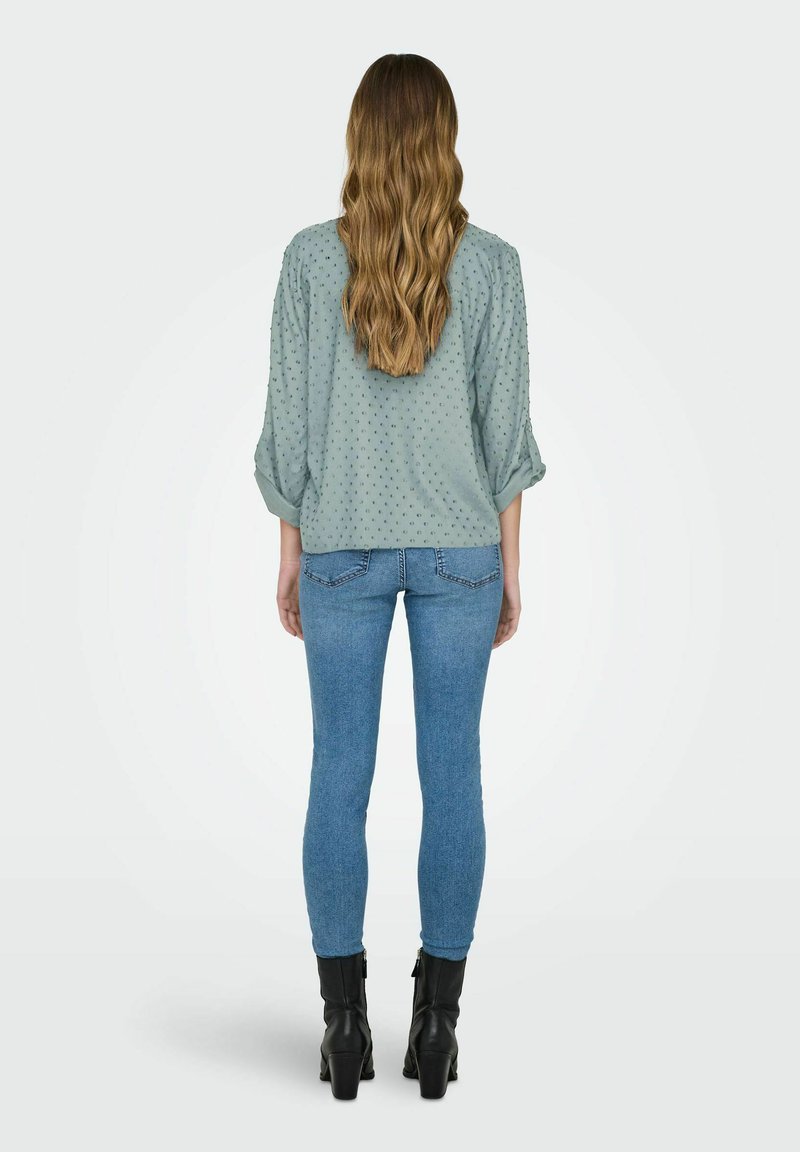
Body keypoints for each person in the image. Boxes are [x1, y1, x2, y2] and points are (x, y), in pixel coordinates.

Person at [253, 53, 546, 1100]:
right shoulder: (492, 266)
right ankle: (437, 1026)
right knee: (452, 775)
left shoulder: (307, 260)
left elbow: (289, 426)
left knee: (338, 774)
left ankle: (342, 1026)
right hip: (461, 549)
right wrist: (510, 569)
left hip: (340, 544)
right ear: (444, 140)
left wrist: (290, 550)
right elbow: (504, 433)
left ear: (360, 139)